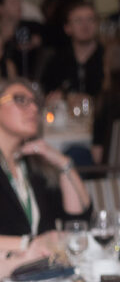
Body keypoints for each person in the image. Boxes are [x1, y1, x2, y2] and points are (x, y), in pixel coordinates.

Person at [0, 79, 90, 251]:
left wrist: (63, 162)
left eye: (35, 103)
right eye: (20, 100)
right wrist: (28, 244)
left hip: (41, 274)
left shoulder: (33, 167)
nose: (34, 108)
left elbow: (78, 220)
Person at [39, 1, 105, 103]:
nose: (85, 25)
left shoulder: (109, 58)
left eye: (90, 19)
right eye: (78, 20)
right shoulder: (56, 62)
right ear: (67, 28)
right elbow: (46, 93)